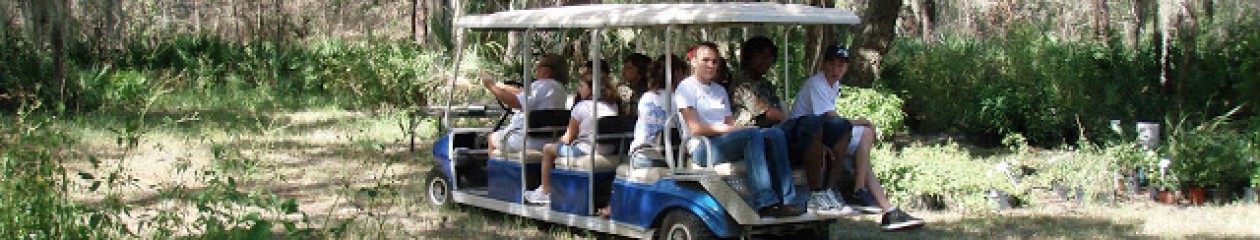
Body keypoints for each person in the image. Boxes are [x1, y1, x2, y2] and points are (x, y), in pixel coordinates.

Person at [789, 44, 925, 231]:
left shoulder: (834, 84)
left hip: (823, 135)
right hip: (804, 138)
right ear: (824, 64)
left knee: (864, 150)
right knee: (865, 134)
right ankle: (866, 196)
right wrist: (861, 121)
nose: (836, 70)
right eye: (832, 65)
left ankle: (882, 205)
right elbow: (832, 119)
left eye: (841, 66)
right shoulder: (817, 84)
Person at [676, 42, 803, 217]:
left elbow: (730, 122)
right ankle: (765, 201)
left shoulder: (719, 90)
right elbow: (696, 128)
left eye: (714, 62)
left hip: (723, 141)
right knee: (751, 135)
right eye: (705, 60)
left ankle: (788, 200)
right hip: (702, 146)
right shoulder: (686, 88)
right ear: (694, 62)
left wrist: (735, 130)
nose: (710, 65)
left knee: (775, 134)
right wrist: (730, 130)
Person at [730, 36, 852, 216]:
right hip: (755, 135)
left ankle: (829, 189)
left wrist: (818, 140)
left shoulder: (766, 85)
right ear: (749, 56)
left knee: (841, 126)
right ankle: (815, 192)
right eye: (760, 55)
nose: (766, 60)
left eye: (769, 56)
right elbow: (772, 113)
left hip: (775, 131)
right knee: (812, 122)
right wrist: (806, 129)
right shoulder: (743, 83)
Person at [525, 67, 620, 204]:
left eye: (581, 86)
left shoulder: (581, 107)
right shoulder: (612, 106)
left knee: (547, 149)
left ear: (592, 89)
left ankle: (545, 191)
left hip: (585, 150)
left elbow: (568, 137)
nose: (579, 89)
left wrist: (556, 142)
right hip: (607, 150)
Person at [483, 54, 570, 157]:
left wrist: (490, 85)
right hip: (549, 139)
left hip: (525, 139)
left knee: (491, 138)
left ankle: (495, 171)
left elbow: (515, 102)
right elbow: (523, 94)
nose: (538, 67)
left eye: (542, 64)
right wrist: (503, 87)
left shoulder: (542, 84)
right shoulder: (559, 89)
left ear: (551, 70)